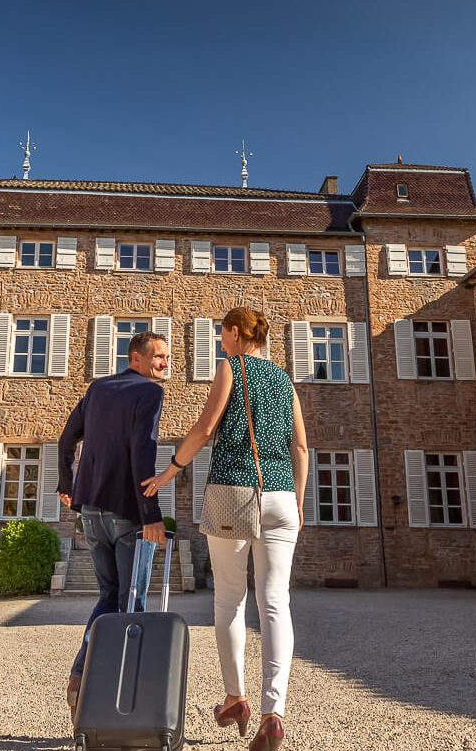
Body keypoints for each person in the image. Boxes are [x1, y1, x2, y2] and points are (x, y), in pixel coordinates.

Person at [144, 306, 306, 751]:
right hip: (281, 497)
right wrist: (299, 501)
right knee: (275, 602)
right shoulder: (284, 379)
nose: (220, 342)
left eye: (221, 335)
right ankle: (274, 714)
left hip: (232, 490)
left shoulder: (230, 367)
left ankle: (235, 698)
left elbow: (205, 427)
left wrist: (169, 472)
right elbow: (303, 446)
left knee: (230, 599)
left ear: (235, 334)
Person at [56, 329, 172, 719]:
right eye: (158, 356)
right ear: (135, 358)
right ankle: (117, 697)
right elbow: (143, 452)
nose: (164, 363)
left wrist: (67, 484)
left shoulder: (98, 389)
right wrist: (151, 516)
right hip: (125, 514)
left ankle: (79, 675)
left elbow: (66, 439)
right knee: (131, 600)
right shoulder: (150, 393)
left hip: (91, 513)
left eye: (167, 357)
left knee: (108, 597)